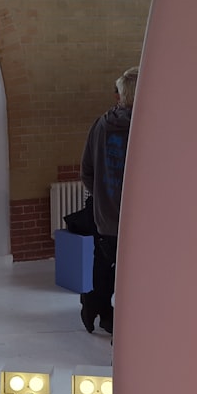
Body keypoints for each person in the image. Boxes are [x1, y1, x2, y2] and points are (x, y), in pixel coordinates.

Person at [79, 66, 138, 334]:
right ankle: (108, 315)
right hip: (136, 217)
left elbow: (86, 171)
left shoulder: (101, 124)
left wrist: (103, 197)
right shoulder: (145, 128)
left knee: (104, 265)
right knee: (129, 272)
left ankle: (98, 309)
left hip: (104, 213)